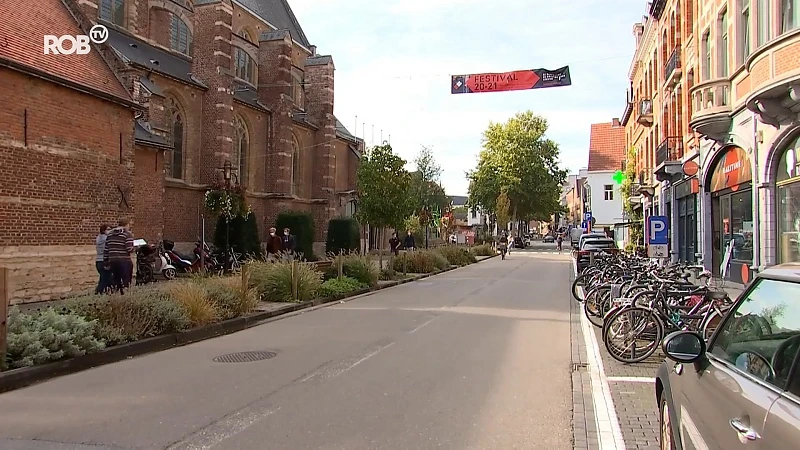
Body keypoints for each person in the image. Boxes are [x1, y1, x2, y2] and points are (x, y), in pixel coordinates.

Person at [103, 218, 134, 294]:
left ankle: (117, 294)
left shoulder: (110, 234)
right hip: (124, 260)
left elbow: (106, 249)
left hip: (113, 260)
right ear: (127, 225)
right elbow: (129, 249)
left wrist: (106, 261)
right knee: (126, 281)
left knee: (116, 281)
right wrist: (137, 247)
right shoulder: (127, 234)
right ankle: (125, 295)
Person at [94, 224, 111, 294]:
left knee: (104, 278)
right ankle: (98, 292)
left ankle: (105, 292)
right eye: (108, 229)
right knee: (104, 279)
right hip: (104, 261)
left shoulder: (98, 238)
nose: (110, 231)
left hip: (98, 261)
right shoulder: (107, 239)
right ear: (104, 230)